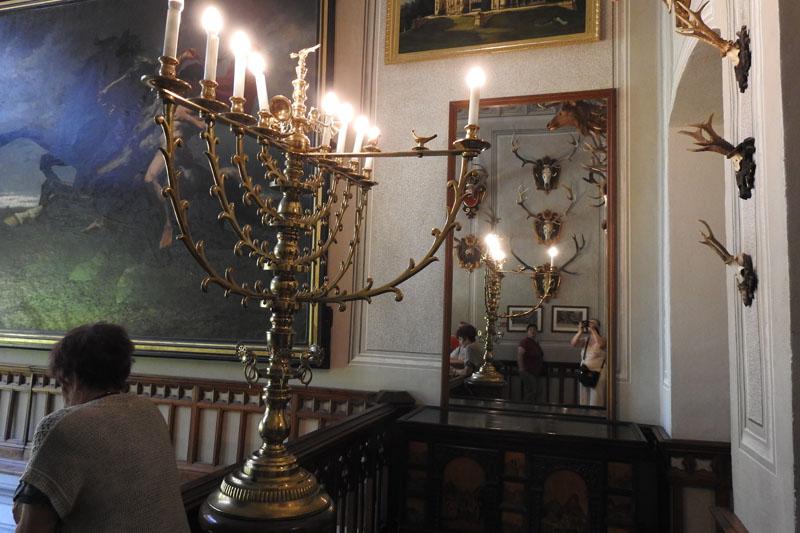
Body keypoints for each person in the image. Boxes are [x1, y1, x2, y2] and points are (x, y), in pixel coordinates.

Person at [13, 323, 189, 533]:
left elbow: (30, 526)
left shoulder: (64, 426)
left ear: (70, 378)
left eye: (61, 383)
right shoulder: (148, 410)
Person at [570, 319, 607, 407]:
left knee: (596, 401)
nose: (590, 324)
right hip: (584, 372)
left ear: (598, 326)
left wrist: (593, 330)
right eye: (589, 322)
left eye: (593, 323)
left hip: (597, 374)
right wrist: (580, 331)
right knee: (584, 400)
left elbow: (601, 344)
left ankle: (595, 415)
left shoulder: (603, 339)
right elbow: (573, 343)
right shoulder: (586, 340)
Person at [517, 323, 544, 402]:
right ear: (527, 332)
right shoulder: (525, 342)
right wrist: (521, 369)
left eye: (534, 330)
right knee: (531, 391)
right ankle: (527, 408)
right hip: (528, 371)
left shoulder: (535, 343)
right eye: (530, 330)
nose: (533, 331)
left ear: (537, 332)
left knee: (537, 391)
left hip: (535, 372)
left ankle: (533, 407)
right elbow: (520, 355)